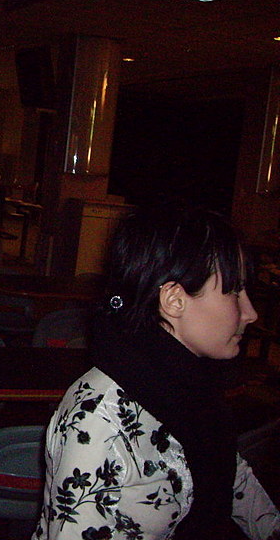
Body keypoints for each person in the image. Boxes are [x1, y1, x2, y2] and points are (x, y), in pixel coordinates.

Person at [33, 206, 280, 540]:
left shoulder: (192, 384)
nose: (250, 313)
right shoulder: (99, 418)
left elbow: (232, 478)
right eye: (234, 292)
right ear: (174, 300)